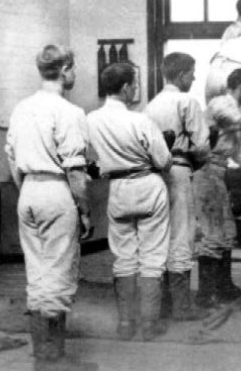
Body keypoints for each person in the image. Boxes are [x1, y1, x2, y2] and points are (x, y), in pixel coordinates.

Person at [4, 45, 96, 371]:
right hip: (57, 192)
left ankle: (42, 356)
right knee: (58, 273)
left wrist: (28, 189)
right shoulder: (69, 112)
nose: (75, 74)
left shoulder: (21, 108)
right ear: (65, 68)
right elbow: (75, 171)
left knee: (37, 273)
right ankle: (51, 360)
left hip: (28, 190)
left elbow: (12, 158)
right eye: (74, 69)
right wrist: (84, 211)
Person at [86, 62, 173, 342]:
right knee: (153, 257)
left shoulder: (90, 120)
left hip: (119, 188)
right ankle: (149, 324)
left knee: (124, 257)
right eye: (134, 84)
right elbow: (164, 161)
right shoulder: (140, 120)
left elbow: (91, 161)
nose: (136, 89)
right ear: (125, 88)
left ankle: (125, 323)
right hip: (148, 185)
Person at [144, 52, 210, 321]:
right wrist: (201, 161)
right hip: (181, 170)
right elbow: (203, 145)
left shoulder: (151, 105)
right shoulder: (187, 101)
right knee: (182, 235)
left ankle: (161, 306)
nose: (194, 78)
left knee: (159, 238)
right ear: (182, 75)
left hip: (154, 176)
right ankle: (182, 308)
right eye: (192, 73)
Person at [194, 68, 241, 309]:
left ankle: (224, 288)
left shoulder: (239, 114)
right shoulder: (220, 103)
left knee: (226, 233)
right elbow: (233, 119)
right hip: (205, 172)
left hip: (219, 174)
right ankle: (206, 295)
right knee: (213, 235)